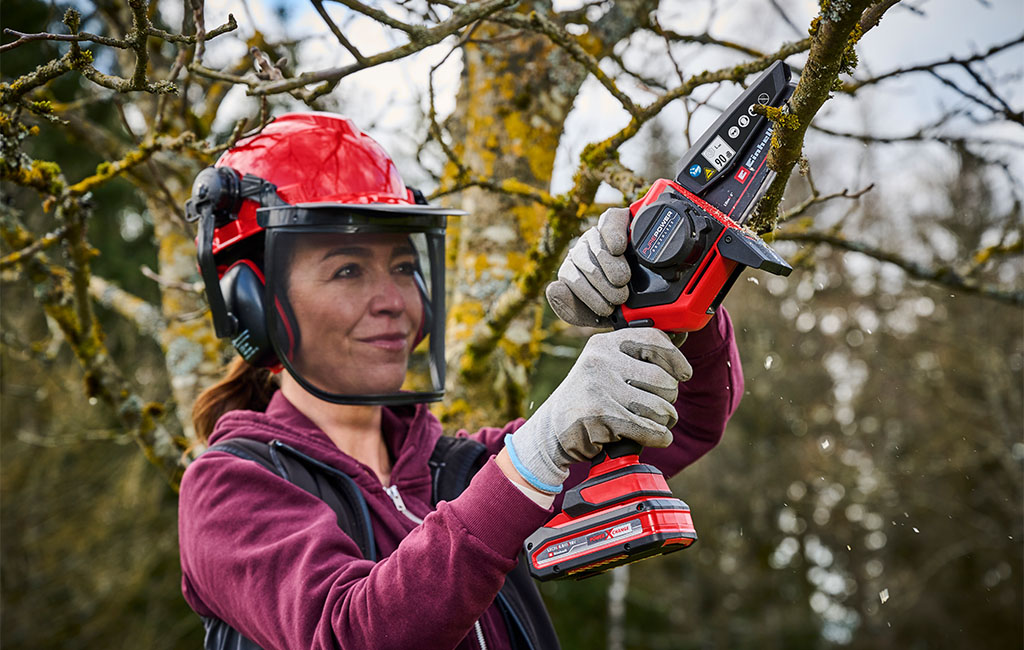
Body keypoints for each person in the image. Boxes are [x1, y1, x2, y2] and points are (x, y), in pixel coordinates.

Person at [177, 112, 744, 650]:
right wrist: (534, 454)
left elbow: (690, 420)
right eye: (347, 269)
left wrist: (665, 295)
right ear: (251, 302)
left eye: (403, 267)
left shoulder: (464, 469)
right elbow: (352, 634)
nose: (393, 302)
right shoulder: (229, 486)